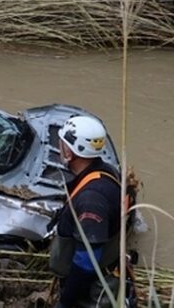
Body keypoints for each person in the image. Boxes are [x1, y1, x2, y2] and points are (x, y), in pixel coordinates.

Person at [48, 116, 136, 308]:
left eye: (62, 143)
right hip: (101, 276)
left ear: (70, 152)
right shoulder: (106, 171)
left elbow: (86, 261)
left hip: (92, 291)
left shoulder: (92, 199)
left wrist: (66, 302)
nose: (59, 147)